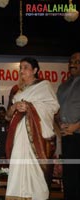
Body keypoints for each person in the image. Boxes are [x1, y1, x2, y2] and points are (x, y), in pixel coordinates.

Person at [5, 57, 59, 200]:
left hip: (35, 138)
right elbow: (8, 116)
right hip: (19, 136)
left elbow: (53, 107)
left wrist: (30, 107)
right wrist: (14, 107)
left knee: (36, 173)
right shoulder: (17, 90)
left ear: (35, 70)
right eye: (20, 67)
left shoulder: (44, 85)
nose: (22, 70)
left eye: (26, 67)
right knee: (18, 169)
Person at [56, 52, 80, 200]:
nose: (73, 63)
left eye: (77, 61)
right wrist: (59, 123)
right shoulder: (63, 86)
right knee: (70, 175)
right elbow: (56, 109)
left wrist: (76, 126)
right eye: (71, 61)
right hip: (67, 137)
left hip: (78, 134)